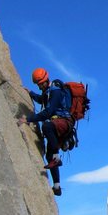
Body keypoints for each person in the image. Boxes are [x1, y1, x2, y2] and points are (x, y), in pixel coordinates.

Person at [17, 67, 72, 196]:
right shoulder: (48, 92)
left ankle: (57, 158)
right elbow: (42, 100)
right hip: (58, 125)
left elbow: (48, 112)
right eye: (38, 84)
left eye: (41, 83)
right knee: (49, 155)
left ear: (46, 79)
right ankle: (57, 186)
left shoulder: (56, 91)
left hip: (64, 122)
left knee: (46, 126)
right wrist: (30, 93)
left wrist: (28, 119)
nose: (40, 86)